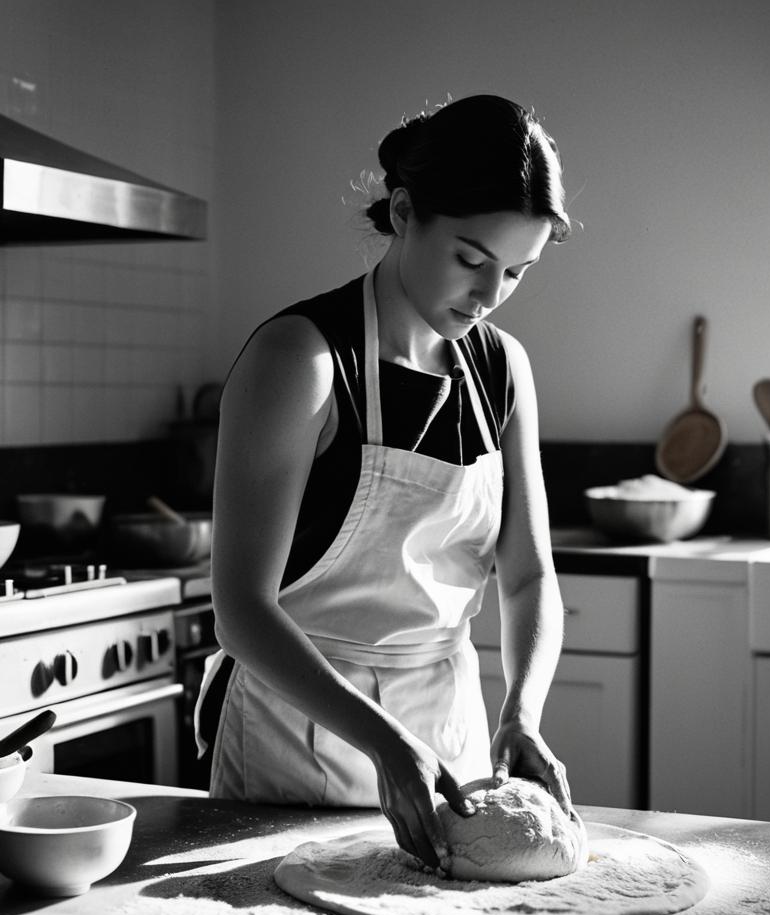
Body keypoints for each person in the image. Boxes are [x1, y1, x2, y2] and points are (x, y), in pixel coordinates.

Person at [194, 94, 574, 870]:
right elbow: (240, 611)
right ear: (403, 213)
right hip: (294, 738)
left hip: (449, 733)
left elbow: (530, 574)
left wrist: (522, 713)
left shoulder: (503, 370)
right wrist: (380, 740)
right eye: (472, 259)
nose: (490, 294)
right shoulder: (298, 361)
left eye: (517, 271)